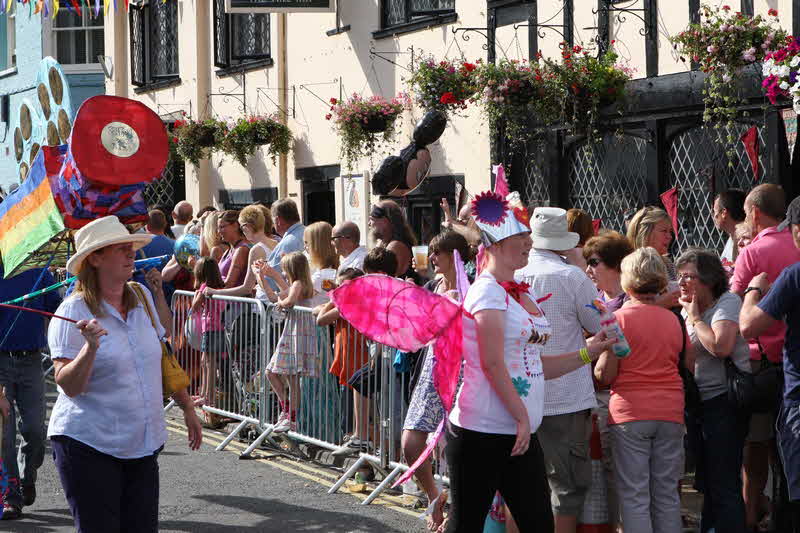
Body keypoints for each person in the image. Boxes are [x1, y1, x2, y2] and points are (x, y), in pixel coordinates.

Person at [444, 193, 615, 532]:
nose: (527, 242)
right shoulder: (487, 292)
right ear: (493, 245)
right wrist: (523, 418)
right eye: (518, 237)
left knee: (537, 523)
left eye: (527, 236)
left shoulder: (520, 291)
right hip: (483, 431)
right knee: (466, 525)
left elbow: (535, 365)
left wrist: (588, 352)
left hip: (519, 431)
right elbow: (493, 364)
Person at [47, 216, 202, 533]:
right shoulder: (73, 311)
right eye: (121, 249)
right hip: (88, 443)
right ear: (96, 258)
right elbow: (69, 385)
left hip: (142, 444)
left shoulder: (141, 297)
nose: (131, 254)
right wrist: (89, 348)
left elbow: (162, 357)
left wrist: (186, 406)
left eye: (131, 247)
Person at [515, 207, 603, 533]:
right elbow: (599, 323)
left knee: (519, 488)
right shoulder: (572, 276)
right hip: (565, 396)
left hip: (521, 394)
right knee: (565, 490)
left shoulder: (513, 275)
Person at [594, 247, 691, 533]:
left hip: (630, 414)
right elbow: (688, 362)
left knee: (634, 496)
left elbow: (606, 373)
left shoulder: (619, 320)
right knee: (666, 495)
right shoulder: (674, 319)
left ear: (628, 279)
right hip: (670, 410)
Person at [732, 184, 800, 531]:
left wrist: (753, 290)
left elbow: (736, 309)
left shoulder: (754, 252)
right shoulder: (794, 247)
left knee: (755, 450)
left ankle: (750, 518)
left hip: (762, 364)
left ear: (755, 213)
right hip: (789, 363)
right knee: (785, 448)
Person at [676, 248, 751, 533]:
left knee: (723, 483)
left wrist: (694, 319)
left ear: (708, 279)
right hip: (698, 404)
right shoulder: (690, 307)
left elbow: (721, 347)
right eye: (679, 276)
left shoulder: (727, 302)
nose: (682, 282)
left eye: (689, 276)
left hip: (723, 403)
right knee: (707, 483)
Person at [402, 230, 472, 531]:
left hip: (466, 368)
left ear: (455, 256)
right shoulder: (432, 285)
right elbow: (420, 331)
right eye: (431, 252)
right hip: (433, 366)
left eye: (438, 252)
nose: (432, 258)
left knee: (459, 445)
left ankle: (459, 510)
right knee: (410, 440)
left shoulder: (476, 285)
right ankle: (435, 496)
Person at [581, 229, 634, 530]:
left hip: (621, 398)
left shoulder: (629, 304)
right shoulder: (592, 302)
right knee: (599, 478)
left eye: (595, 262)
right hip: (594, 399)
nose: (588, 269)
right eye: (588, 262)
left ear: (616, 265)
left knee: (620, 476)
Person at [0, 266, 62, 521]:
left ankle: (27, 477)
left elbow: (56, 311)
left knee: (36, 431)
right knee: (5, 434)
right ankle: (10, 496)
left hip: (32, 360)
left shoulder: (40, 273)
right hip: (0, 362)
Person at [257, 252, 317, 433]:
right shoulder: (295, 284)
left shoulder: (300, 284)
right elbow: (273, 297)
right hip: (291, 332)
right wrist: (260, 278)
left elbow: (288, 301)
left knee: (292, 378)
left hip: (298, 333)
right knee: (270, 372)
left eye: (284, 270)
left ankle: (291, 417)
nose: (282, 273)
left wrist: (281, 304)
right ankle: (286, 410)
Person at [204, 205, 276, 300]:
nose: (241, 231)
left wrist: (214, 292)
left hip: (265, 303)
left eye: (241, 227)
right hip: (273, 302)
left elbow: (246, 288)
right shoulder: (275, 243)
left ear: (246, 226)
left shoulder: (255, 250)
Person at [190, 257, 227, 428]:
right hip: (217, 326)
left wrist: (197, 295)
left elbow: (194, 307)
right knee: (206, 361)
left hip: (212, 327)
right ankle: (204, 393)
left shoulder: (205, 288)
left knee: (209, 363)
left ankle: (208, 396)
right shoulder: (221, 285)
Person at [627, 206, 680, 308]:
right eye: (664, 231)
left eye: (670, 231)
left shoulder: (668, 264)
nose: (669, 236)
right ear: (645, 232)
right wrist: (659, 304)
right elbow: (626, 310)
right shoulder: (629, 266)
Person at [369, 200, 417, 279]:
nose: (369, 223)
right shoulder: (386, 243)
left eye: (372, 219)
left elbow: (383, 279)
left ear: (385, 221)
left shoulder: (395, 246)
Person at [267, 198, 306, 281]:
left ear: (278, 220)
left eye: (272, 221)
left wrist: (258, 274)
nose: (273, 225)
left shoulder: (286, 244)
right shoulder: (308, 233)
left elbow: (272, 282)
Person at [304, 221, 339, 306]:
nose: (305, 247)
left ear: (317, 246)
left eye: (307, 243)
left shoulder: (321, 276)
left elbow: (295, 297)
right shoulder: (329, 271)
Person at [216, 210, 250, 288]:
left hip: (234, 299)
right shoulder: (228, 250)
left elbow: (229, 284)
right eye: (218, 228)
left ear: (235, 226)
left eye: (222, 227)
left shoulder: (241, 250)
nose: (218, 231)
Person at [713, 189, 747, 263]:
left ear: (724, 213)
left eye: (715, 211)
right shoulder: (732, 237)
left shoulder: (746, 241)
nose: (714, 216)